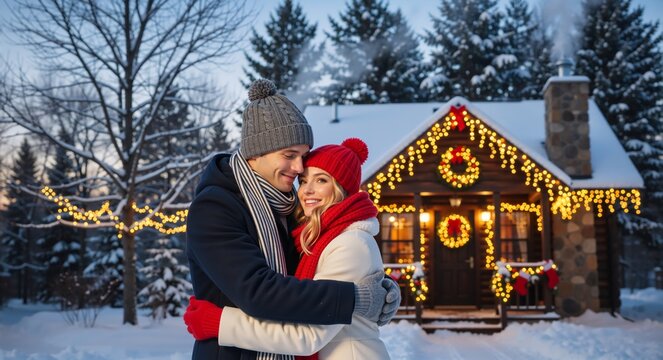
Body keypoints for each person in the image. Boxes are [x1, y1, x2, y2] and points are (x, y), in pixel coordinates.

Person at [185, 79, 400, 359]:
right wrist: (356, 298)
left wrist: (376, 286)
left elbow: (308, 277)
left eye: (302, 157)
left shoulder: (281, 207)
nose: (298, 169)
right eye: (289, 155)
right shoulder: (216, 207)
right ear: (255, 153)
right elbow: (258, 290)